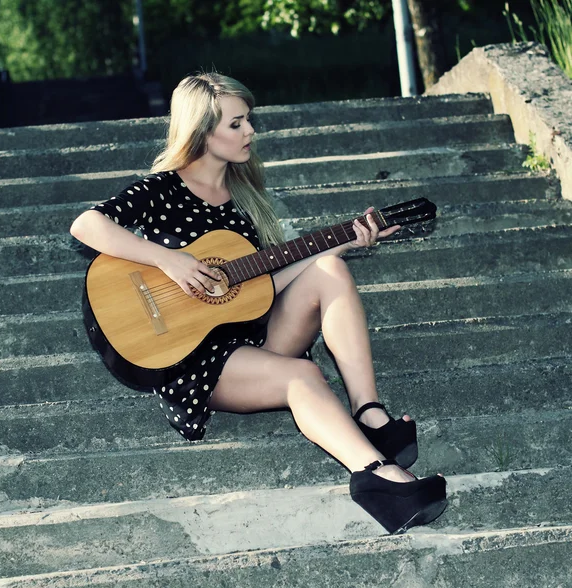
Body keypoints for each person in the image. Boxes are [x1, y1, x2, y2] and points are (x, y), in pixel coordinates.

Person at [70, 71, 447, 534]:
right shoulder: (162, 190)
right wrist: (169, 261)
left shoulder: (244, 201)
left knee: (328, 269)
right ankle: (376, 478)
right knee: (302, 375)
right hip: (196, 359)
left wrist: (345, 242)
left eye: (248, 121)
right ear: (201, 131)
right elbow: (87, 226)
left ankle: (370, 414)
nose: (250, 131)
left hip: (253, 332)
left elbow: (259, 286)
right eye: (236, 124)